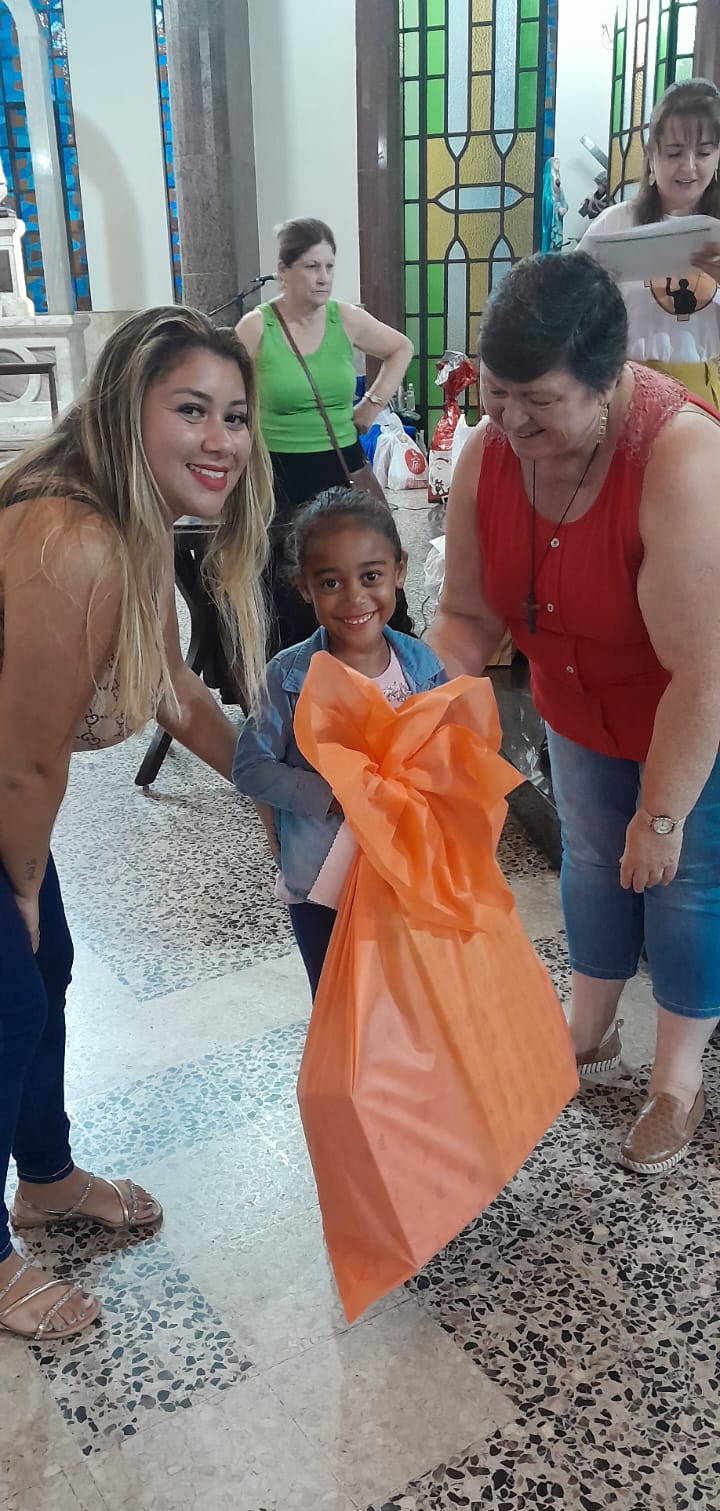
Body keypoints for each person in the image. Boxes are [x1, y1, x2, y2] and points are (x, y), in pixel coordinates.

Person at [0, 306, 273, 1340]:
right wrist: (24, 888)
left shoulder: (132, 516)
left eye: (234, 416)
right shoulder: (70, 540)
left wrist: (272, 791)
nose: (221, 440)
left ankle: (45, 1177)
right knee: (8, 1000)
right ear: (125, 409)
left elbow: (176, 692)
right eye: (191, 410)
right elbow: (23, 764)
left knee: (44, 974)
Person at [428, 250, 720, 1176]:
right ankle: (589, 1031)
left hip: (688, 709)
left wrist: (662, 812)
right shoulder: (490, 451)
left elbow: (703, 670)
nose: (510, 420)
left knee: (681, 877)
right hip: (575, 701)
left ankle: (677, 1079)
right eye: (496, 392)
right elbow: (466, 617)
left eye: (538, 401)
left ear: (605, 382)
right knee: (592, 859)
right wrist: (414, 705)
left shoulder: (678, 456)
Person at [232, 487, 445, 996]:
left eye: (371, 576)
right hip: (322, 884)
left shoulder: (421, 667)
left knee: (403, 1002)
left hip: (403, 876)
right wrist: (331, 794)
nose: (354, 598)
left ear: (399, 571)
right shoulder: (288, 677)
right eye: (331, 582)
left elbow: (445, 758)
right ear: (305, 587)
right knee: (336, 1002)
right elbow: (251, 767)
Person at [235, 217, 414, 648]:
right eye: (312, 266)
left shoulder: (344, 318)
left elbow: (400, 348)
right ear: (283, 271)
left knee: (362, 567)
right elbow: (225, 394)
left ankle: (380, 668)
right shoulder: (257, 328)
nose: (324, 277)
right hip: (278, 474)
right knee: (290, 588)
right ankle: (294, 675)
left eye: (330, 266)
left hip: (341, 466)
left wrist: (370, 406)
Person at [579, 78, 720, 406]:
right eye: (674, 152)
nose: (688, 166)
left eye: (703, 152)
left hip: (700, 394)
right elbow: (569, 306)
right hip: (624, 388)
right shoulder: (614, 225)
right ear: (651, 155)